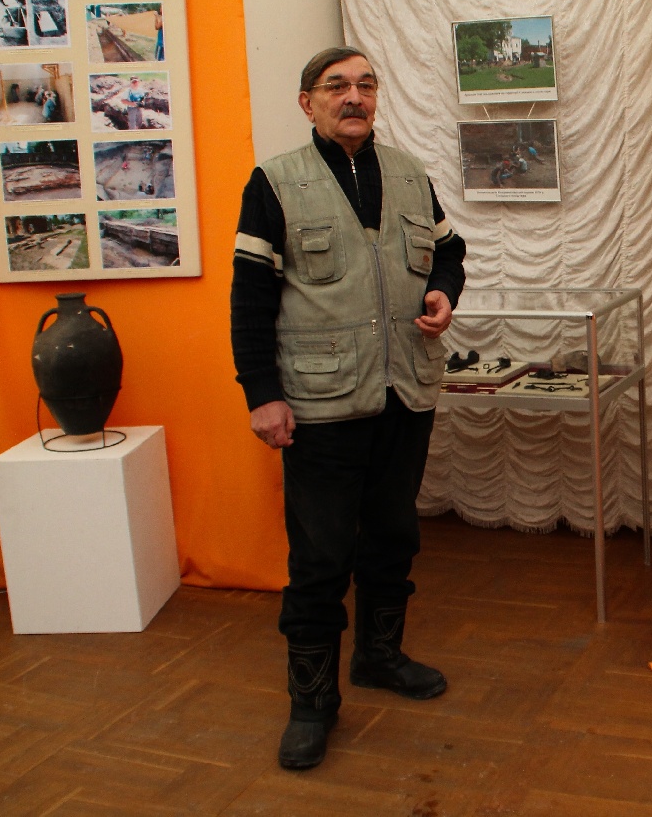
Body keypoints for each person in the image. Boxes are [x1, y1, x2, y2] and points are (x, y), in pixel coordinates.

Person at [229, 46, 466, 771]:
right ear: (308, 102)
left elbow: (451, 251)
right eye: (336, 86)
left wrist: (442, 292)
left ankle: (379, 656)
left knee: (393, 536)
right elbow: (250, 297)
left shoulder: (409, 173)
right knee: (322, 556)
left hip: (404, 393)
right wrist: (262, 394)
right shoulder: (275, 181)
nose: (353, 97)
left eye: (365, 85)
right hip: (321, 403)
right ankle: (312, 703)